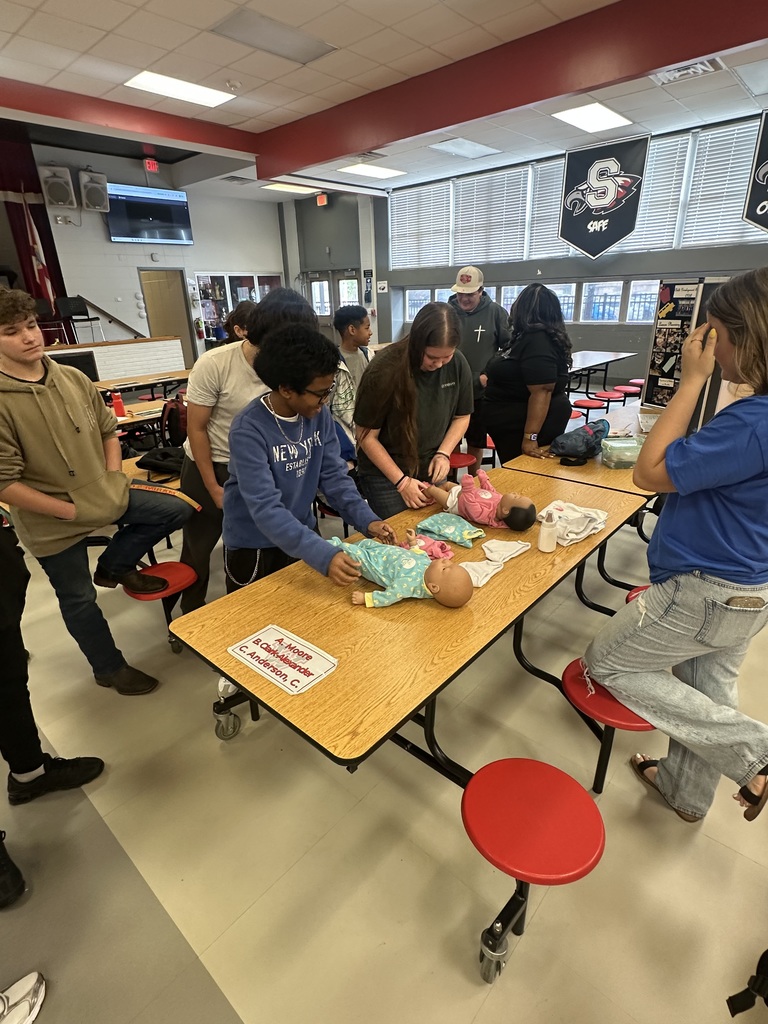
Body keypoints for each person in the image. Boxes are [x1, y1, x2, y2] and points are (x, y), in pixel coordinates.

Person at [583, 268, 768, 824]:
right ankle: (685, 793)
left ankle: (753, 751)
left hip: (706, 589)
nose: (713, 349)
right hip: (749, 589)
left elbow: (649, 470)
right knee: (705, 691)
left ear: (745, 337)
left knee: (605, 662)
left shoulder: (753, 425)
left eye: (717, 335)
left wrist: (689, 382)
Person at [0, 289, 193, 696]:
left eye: (31, 326)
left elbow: (109, 429)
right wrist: (68, 513)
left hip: (100, 492)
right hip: (52, 519)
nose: (29, 337)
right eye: (11, 332)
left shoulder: (71, 377)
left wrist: (111, 478)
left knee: (175, 509)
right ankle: (108, 668)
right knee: (79, 599)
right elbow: (5, 482)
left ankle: (114, 564)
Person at [222, 323, 395, 590]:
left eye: (330, 390)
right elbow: (266, 508)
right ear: (287, 389)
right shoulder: (249, 429)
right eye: (320, 393)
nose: (326, 400)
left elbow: (334, 478)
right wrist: (323, 554)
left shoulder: (317, 414)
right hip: (254, 545)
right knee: (258, 622)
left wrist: (367, 519)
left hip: (301, 532)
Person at [179, 289, 318, 613]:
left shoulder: (290, 368)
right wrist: (214, 488)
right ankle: (190, 616)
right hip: (214, 464)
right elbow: (197, 429)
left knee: (264, 546)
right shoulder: (215, 364)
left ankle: (272, 613)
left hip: (264, 466)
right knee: (199, 549)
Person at [354, 302, 473, 519]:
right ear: (417, 344)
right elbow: (365, 436)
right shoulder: (384, 369)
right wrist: (401, 482)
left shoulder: (457, 364)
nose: (439, 364)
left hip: (429, 465)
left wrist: (443, 453)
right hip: (387, 474)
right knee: (399, 540)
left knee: (436, 537)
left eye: (446, 357)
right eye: (432, 358)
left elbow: (462, 416)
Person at [480, 283, 573, 463]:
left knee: (525, 481)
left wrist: (530, 438)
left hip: (524, 428)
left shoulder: (539, 340)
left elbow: (542, 391)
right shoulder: (525, 336)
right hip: (510, 425)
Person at [448, 266, 510, 472]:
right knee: (449, 440)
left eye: (470, 294)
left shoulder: (496, 313)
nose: (464, 299)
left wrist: (489, 374)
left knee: (476, 440)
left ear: (481, 290)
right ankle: (449, 484)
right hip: (449, 388)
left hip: (479, 390)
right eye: (460, 294)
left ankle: (474, 483)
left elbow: (510, 347)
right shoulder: (447, 312)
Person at [327, 536, 473, 608]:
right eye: (450, 563)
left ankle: (332, 546)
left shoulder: (409, 586)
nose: (446, 561)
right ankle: (350, 546)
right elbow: (419, 555)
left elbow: (389, 596)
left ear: (434, 587)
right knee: (366, 542)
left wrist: (367, 599)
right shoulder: (430, 569)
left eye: (445, 568)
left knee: (354, 554)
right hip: (383, 551)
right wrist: (413, 544)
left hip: (374, 565)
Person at [328, 304, 372, 465]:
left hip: (367, 423)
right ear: (352, 330)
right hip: (345, 429)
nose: (371, 332)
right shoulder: (333, 362)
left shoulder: (368, 355)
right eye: (367, 328)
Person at [423, 470, 537, 530]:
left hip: (455, 503)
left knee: (432, 489)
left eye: (516, 497)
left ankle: (424, 496)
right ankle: (434, 498)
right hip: (463, 491)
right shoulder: (501, 501)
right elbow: (491, 492)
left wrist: (467, 489)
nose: (515, 493)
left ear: (506, 510)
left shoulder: (487, 516)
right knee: (446, 484)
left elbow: (471, 508)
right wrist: (484, 481)